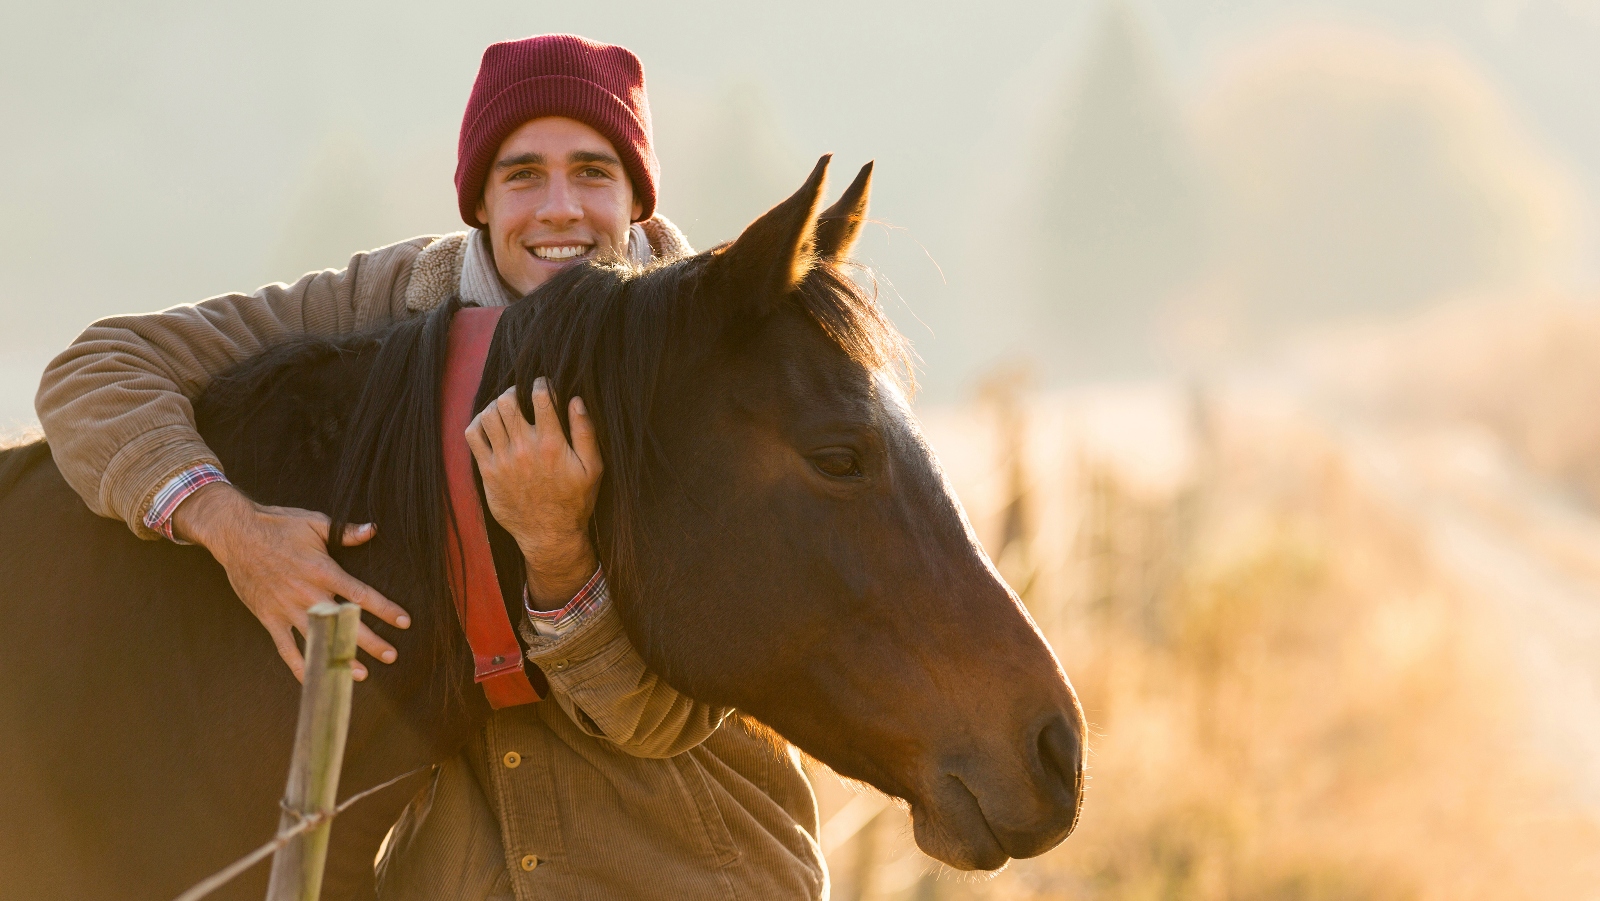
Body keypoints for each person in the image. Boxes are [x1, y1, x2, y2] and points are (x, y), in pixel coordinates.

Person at [35, 33, 826, 900]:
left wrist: (559, 551)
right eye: (523, 174)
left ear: (638, 197)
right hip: (473, 876)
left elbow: (655, 718)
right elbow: (96, 372)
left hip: (693, 870)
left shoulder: (711, 353)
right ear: (480, 201)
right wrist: (233, 528)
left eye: (594, 172)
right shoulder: (395, 299)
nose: (559, 208)